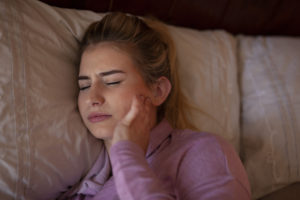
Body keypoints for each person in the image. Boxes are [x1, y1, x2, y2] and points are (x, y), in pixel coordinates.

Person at [59, 12, 251, 200]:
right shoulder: (80, 188)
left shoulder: (203, 151)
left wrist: (127, 156)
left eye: (112, 82)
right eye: (84, 86)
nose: (93, 97)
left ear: (158, 91)